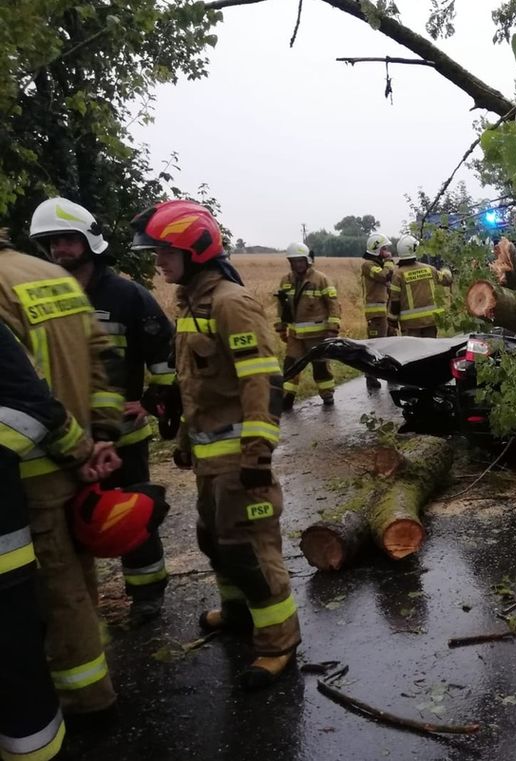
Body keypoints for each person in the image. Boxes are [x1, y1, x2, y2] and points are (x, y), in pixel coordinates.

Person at [130, 200, 301, 690]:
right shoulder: (192, 306)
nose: (158, 263)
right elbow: (195, 385)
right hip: (209, 457)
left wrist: (257, 456)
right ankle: (238, 613)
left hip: (238, 458)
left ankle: (278, 642)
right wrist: (184, 437)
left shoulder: (230, 302)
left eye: (165, 252)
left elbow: (260, 385)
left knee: (249, 548)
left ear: (195, 251)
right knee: (214, 541)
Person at [29, 197, 175, 624]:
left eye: (68, 240)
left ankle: (147, 594)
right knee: (68, 524)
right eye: (52, 242)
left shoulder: (128, 295)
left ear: (89, 241)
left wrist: (149, 403)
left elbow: (165, 358)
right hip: (62, 438)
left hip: (124, 435)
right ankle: (81, 605)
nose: (60, 250)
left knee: (130, 515)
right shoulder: (42, 298)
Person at [0, 229, 125, 721]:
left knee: (56, 592)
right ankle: (92, 672)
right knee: (76, 578)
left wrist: (78, 449)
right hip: (77, 461)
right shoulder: (52, 275)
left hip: (32, 471)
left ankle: (86, 700)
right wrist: (105, 436)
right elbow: (105, 362)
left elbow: (21, 390)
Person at [274, 243, 340, 409]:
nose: (298, 265)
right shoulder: (286, 281)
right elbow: (281, 306)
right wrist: (281, 327)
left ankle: (327, 396)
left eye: (301, 261)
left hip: (318, 335)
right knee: (291, 366)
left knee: (320, 367)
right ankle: (287, 398)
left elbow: (333, 304)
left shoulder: (321, 279)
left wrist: (333, 329)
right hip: (295, 336)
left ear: (308, 261)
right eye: (294, 261)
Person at [388, 235, 453, 338]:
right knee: (431, 352)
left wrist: (392, 321)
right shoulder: (430, 269)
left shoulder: (398, 274)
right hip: (431, 321)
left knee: (414, 353)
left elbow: (395, 302)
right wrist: (446, 268)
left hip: (410, 325)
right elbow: (447, 280)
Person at [361, 234, 395, 388]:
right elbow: (383, 276)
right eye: (384, 249)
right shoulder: (368, 265)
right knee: (376, 345)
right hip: (376, 314)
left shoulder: (379, 264)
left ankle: (390, 373)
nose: (387, 251)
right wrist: (388, 262)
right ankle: (371, 375)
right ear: (377, 250)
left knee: (390, 342)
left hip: (385, 311)